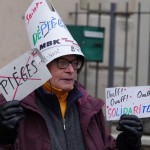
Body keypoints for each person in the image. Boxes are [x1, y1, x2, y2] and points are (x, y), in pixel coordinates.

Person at [0, 0, 143, 149]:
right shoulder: (16, 110)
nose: (71, 70)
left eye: (75, 63)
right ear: (42, 66)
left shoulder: (90, 108)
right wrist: (4, 138)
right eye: (62, 62)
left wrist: (127, 143)